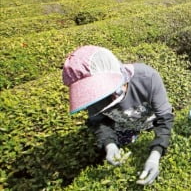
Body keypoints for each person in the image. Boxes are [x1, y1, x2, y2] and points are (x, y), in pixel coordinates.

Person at [62, 45, 174, 185]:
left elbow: (164, 118)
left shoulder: (147, 78)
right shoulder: (92, 96)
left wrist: (156, 154)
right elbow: (99, 121)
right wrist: (109, 144)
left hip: (150, 122)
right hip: (123, 125)